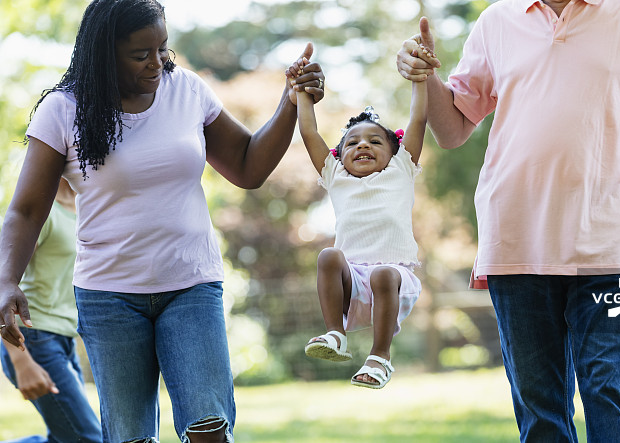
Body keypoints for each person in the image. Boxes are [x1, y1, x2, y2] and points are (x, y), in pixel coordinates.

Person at [396, 2, 620, 442]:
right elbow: (451, 130)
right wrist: (426, 76)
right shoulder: (496, 21)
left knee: (611, 391)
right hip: (515, 249)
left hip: (614, 254)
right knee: (540, 411)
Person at [0, 0, 324, 441]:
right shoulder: (63, 110)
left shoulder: (186, 90)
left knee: (208, 427)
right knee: (130, 435)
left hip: (191, 284)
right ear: (104, 54)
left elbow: (248, 168)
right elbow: (26, 209)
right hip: (108, 296)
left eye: (162, 49)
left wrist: (290, 103)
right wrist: (6, 280)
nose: (157, 63)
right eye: (140, 55)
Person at [285, 51, 430, 389]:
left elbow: (419, 119)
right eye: (352, 142)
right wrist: (302, 94)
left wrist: (419, 79)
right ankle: (336, 333)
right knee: (328, 256)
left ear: (394, 151)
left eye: (375, 140)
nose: (362, 144)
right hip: (354, 284)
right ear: (339, 155)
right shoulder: (336, 176)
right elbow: (309, 133)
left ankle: (380, 357)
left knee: (382, 273)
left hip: (395, 280)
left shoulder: (400, 169)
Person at [1, 178, 102, 443]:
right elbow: (1, 287)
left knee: (64, 438)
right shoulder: (43, 211)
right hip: (33, 339)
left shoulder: (88, 206)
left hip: (64, 340)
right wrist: (21, 361)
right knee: (89, 439)